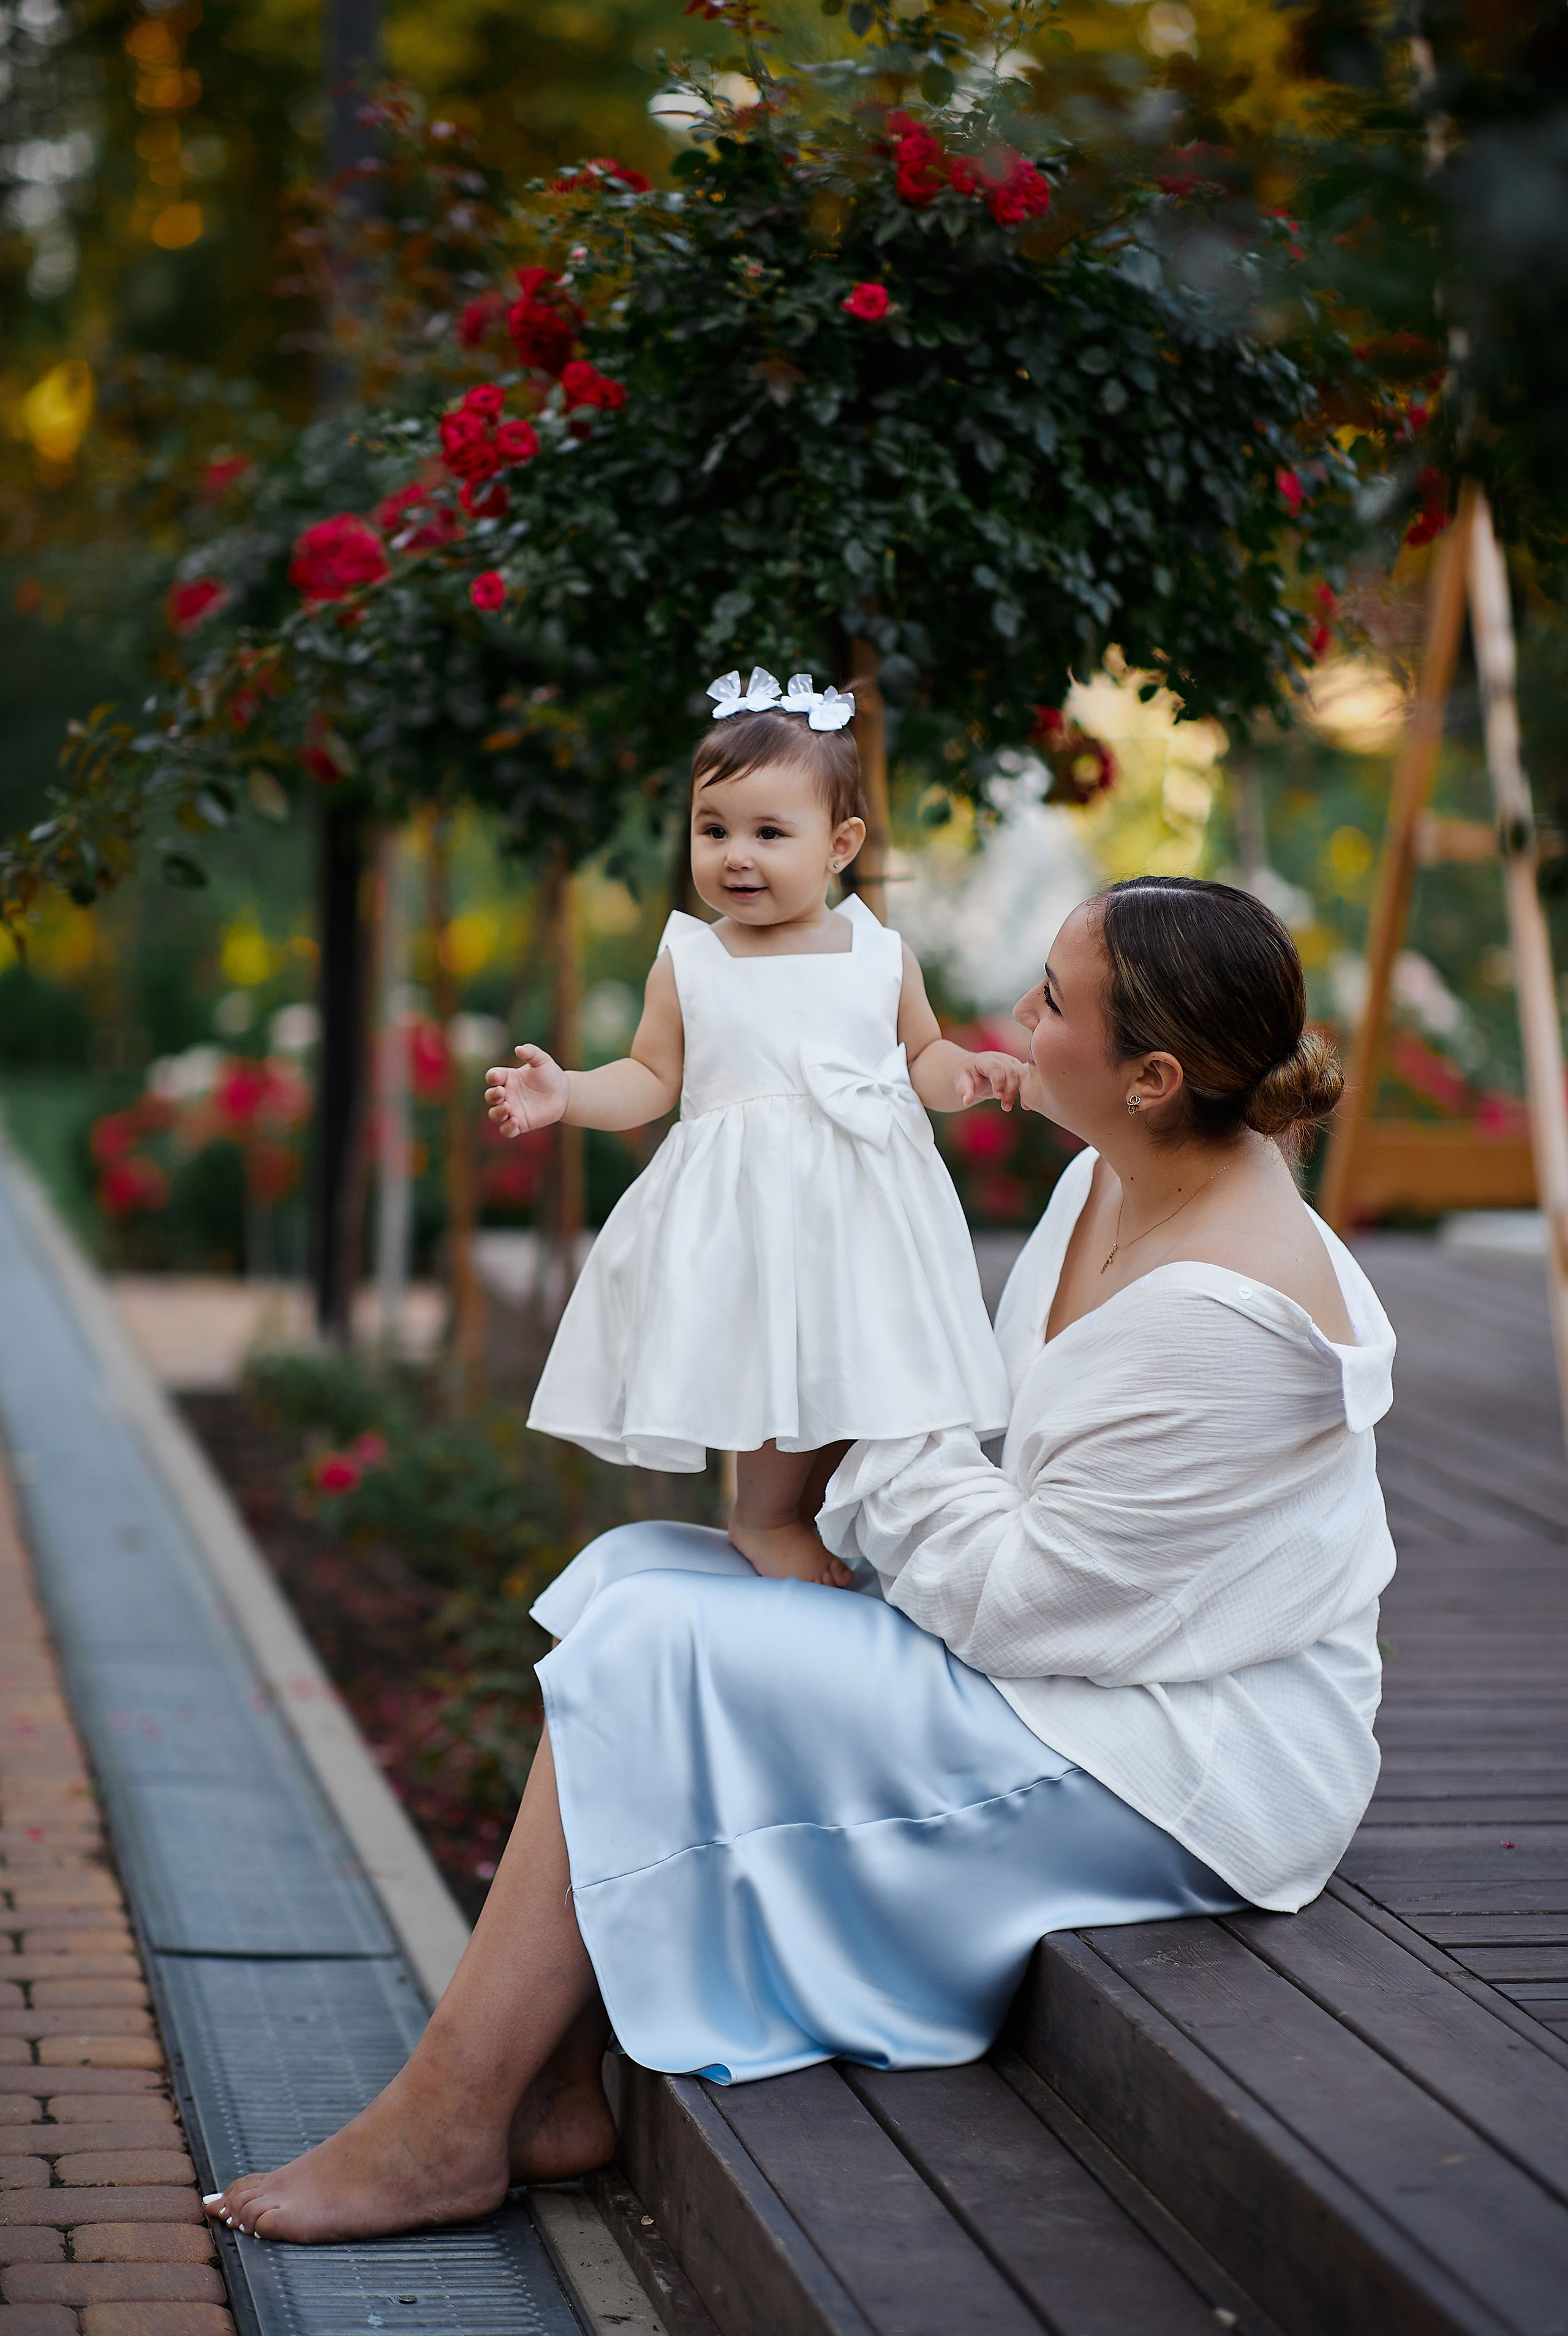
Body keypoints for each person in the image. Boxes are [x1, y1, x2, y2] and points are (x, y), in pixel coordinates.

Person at [205, 873, 1395, 2247]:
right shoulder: (1106, 1178)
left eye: (1053, 1001)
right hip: (1078, 1663)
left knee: (655, 1649)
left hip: (1173, 1756)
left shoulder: (1227, 1314)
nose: (1015, 1014)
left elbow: (1018, 1601)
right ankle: (545, 2090)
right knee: (633, 1578)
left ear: (1154, 1077)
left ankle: (445, 2121)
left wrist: (867, 1385)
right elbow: (990, 1477)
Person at [486, 665, 1020, 1583]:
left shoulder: (880, 955)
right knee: (773, 1362)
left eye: (769, 833)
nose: (736, 855)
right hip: (755, 1208)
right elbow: (651, 1079)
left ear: (840, 844)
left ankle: (830, 1513)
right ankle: (766, 1516)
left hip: (864, 1204)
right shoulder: (693, 961)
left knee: (865, 1360)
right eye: (714, 830)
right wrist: (567, 1093)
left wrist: (964, 1073)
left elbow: (923, 1057)